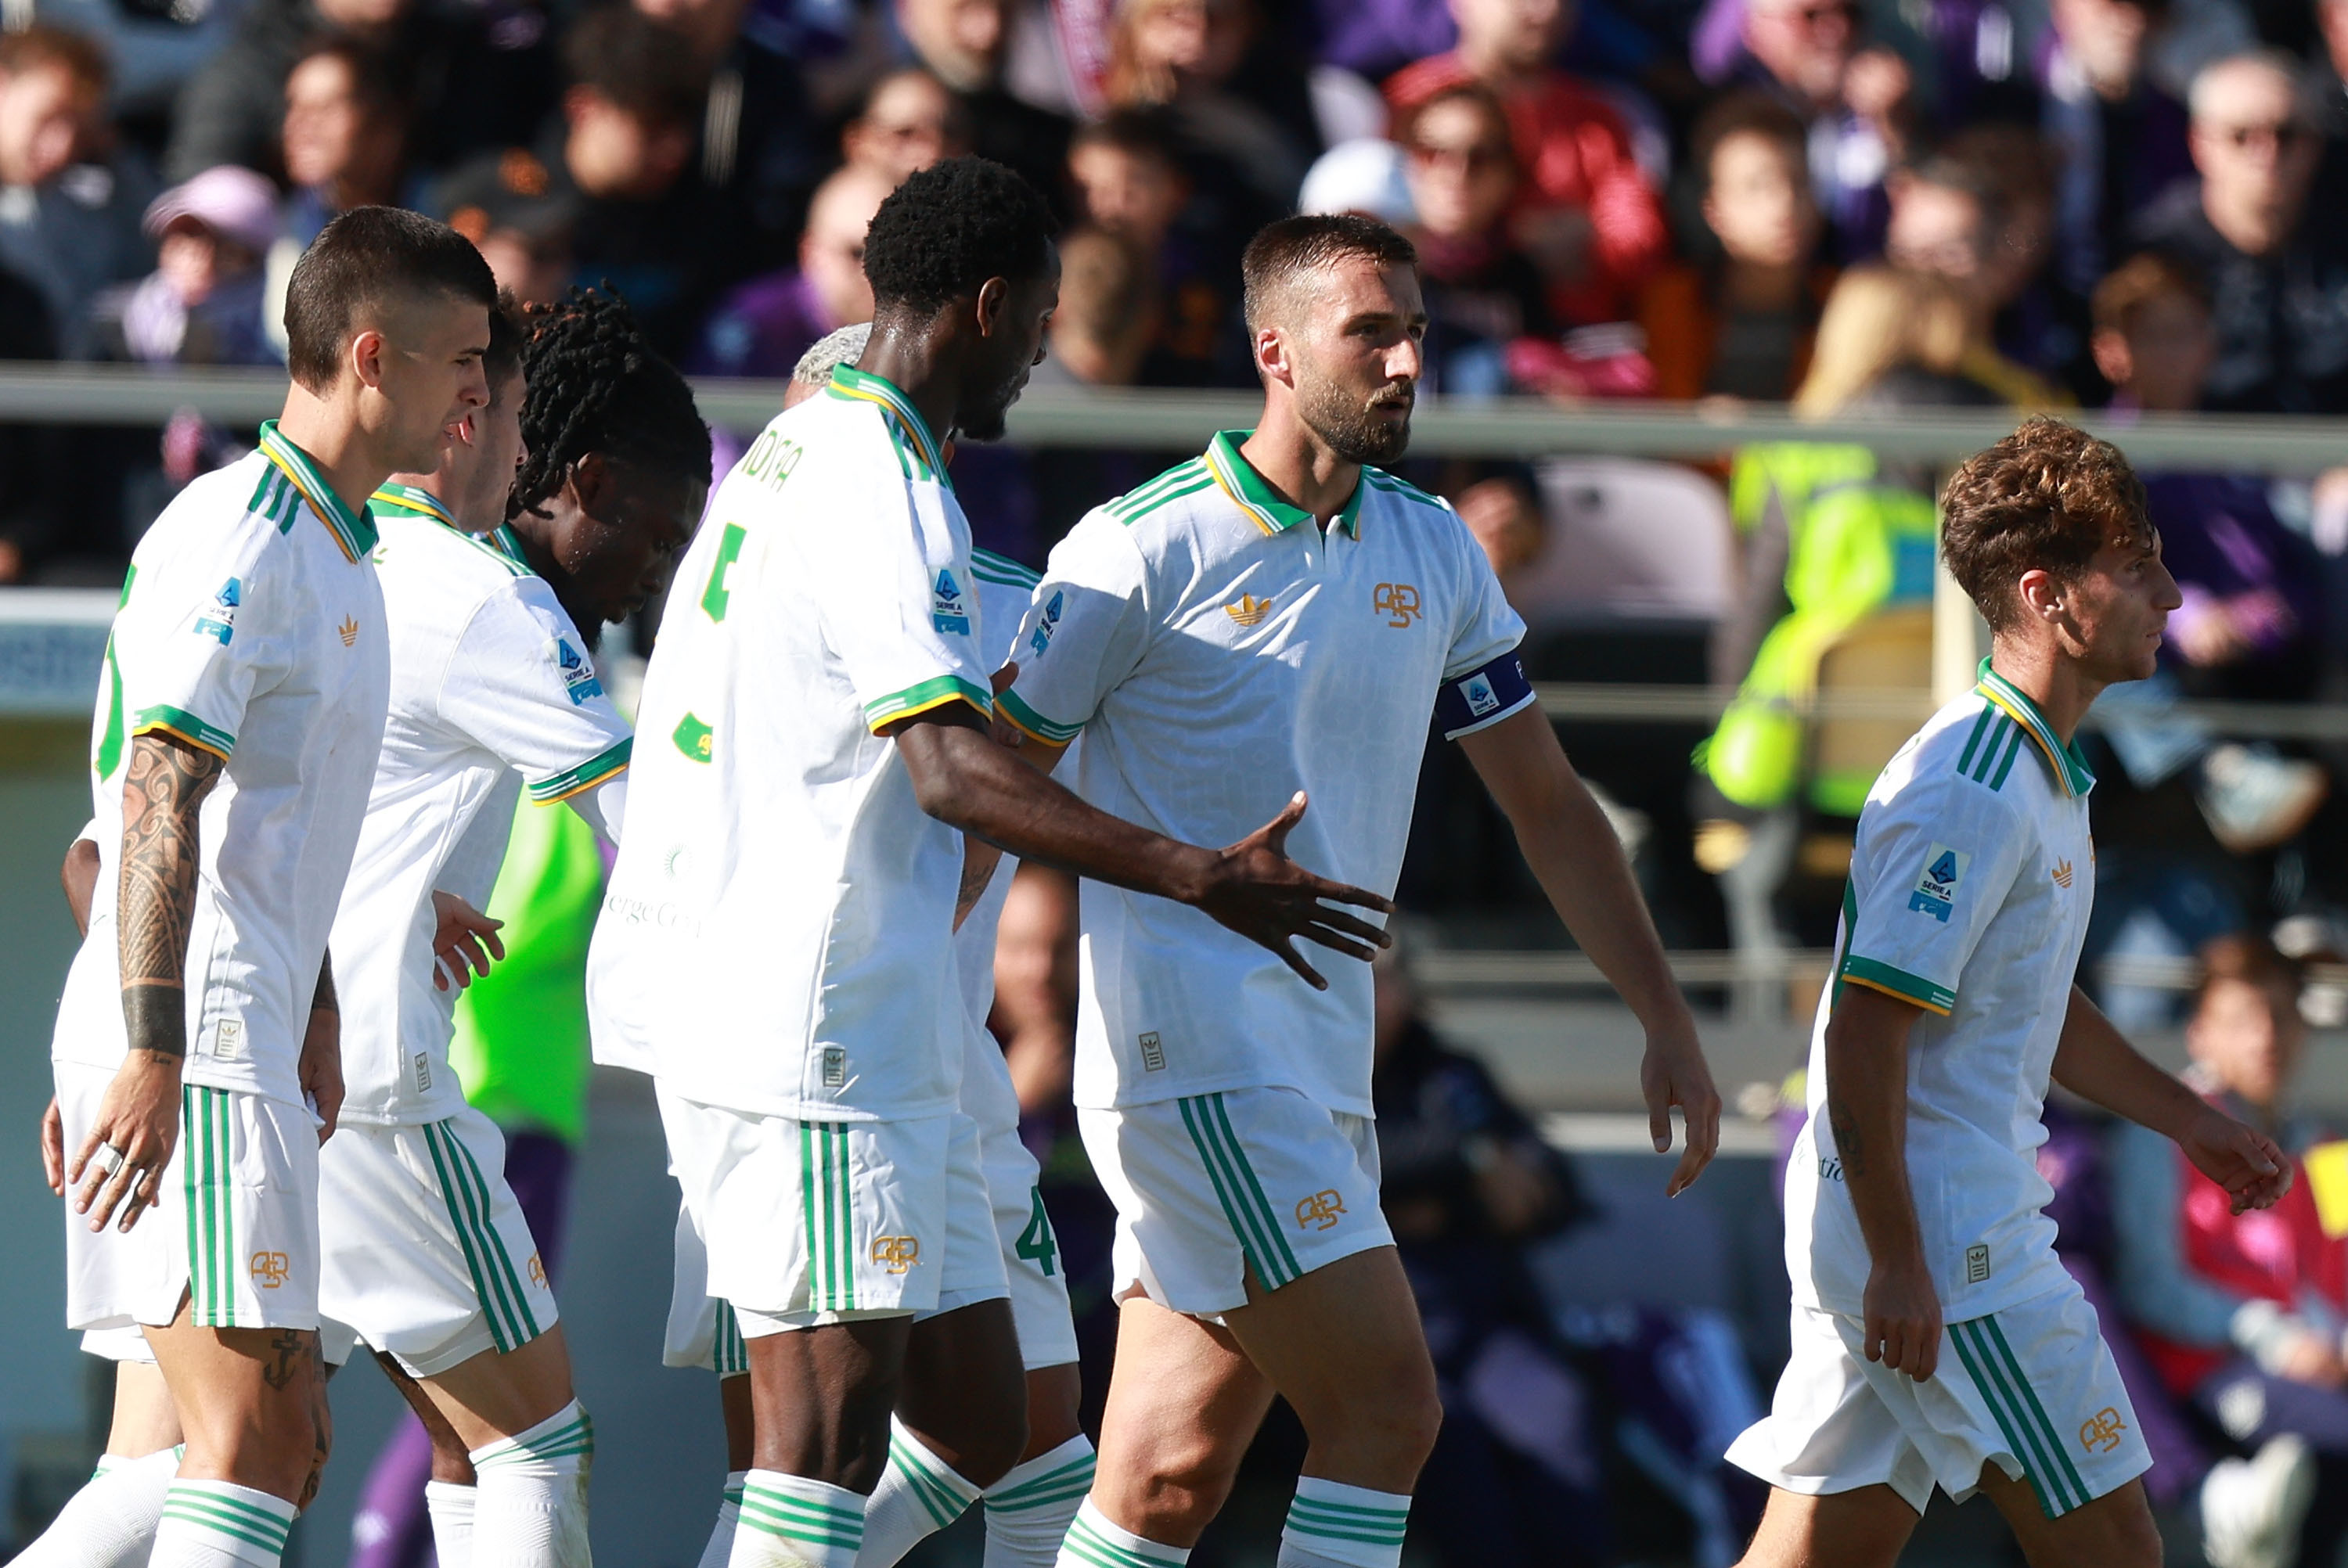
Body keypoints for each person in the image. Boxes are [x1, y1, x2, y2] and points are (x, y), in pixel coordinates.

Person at [587, 156, 1393, 1568]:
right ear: (986, 304)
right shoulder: (872, 473)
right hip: (814, 1021)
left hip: (854, 1016)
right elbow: (950, 767)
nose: (1041, 349)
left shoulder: (798, 449)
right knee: (817, 1450)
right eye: (1038, 317)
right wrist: (1197, 872)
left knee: (986, 1415)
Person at [991, 211, 1720, 1568]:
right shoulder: (1135, 548)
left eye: (1416, 334)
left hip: (1321, 1068)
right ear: (1275, 351)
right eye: (1370, 333)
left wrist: (1664, 1013)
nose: (1406, 364)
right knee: (1389, 1408)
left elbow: (1550, 805)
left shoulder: (1433, 546)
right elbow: (986, 787)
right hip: (1197, 1064)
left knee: (1163, 1480)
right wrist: (947, 1019)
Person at [1723, 415, 2294, 1567]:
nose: (2173, 596)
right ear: (2048, 596)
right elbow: (1864, 1037)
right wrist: (1900, 1258)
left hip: (1913, 1230)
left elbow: (2025, 1005)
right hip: (1952, 1246)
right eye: (2137, 567)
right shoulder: (1973, 788)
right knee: (2121, 1547)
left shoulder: (2038, 772)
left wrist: (2187, 1119)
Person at [48, 205, 491, 1568]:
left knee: (247, 1448)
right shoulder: (244, 537)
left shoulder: (338, 543)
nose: (479, 394)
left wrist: (318, 1006)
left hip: (240, 1036)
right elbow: (152, 795)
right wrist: (149, 1048)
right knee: (252, 1446)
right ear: (373, 357)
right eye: (463, 360)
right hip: (199, 1045)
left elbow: (266, 829)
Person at [320, 285, 708, 1568]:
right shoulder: (492, 600)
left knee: (225, 1458)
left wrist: (384, 889)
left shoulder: (324, 544)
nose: (655, 575)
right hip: (390, 1082)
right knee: (533, 1445)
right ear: (580, 478)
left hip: (254, 1069)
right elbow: (656, 832)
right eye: (657, 535)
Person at [2109, 937, 2341, 1568]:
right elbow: (2147, 1283)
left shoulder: (2329, 1149)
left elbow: (2341, 1272)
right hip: (2208, 1368)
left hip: (2317, 1365)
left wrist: (2336, 1345)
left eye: (2282, 1017)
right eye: (2242, 1020)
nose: (2266, 1037)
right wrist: (2273, 1337)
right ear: (2199, 1035)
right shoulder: (2159, 1134)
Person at [1385, 0, 1669, 326]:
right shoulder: (1406, 102)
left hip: (1571, 339)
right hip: (1424, 329)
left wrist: (1592, 248)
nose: (1548, 9)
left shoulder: (1600, 121)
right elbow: (1362, 227)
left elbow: (1642, 244)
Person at [2134, 50, 2348, 412]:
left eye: (2286, 134)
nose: (2267, 154)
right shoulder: (2158, 255)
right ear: (2199, 144)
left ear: (2314, 145)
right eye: (2241, 135)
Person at [1639, 90, 1833, 402]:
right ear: (1714, 211)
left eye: (1799, 182)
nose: (1785, 205)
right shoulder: (1673, 302)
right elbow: (1670, 410)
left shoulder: (1846, 303)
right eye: (1757, 187)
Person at [0, 26, 157, 361]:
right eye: (50, 117)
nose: (63, 148)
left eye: (81, 130)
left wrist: (116, 157)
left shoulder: (73, 221)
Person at [689, 164, 893, 379]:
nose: (874, 272)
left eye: (889, 255)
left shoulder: (914, 333)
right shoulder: (753, 326)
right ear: (810, 253)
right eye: (857, 253)